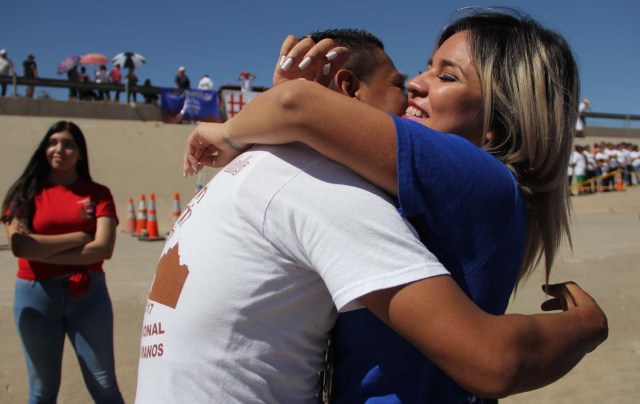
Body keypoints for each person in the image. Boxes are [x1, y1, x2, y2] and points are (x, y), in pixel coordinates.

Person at [144, 26, 604, 403]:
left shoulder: (480, 175)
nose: (416, 84)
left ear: (498, 121)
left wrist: (229, 131)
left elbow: (297, 107)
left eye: (448, 77)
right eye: (426, 67)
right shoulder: (458, 191)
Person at [1, 121, 124, 403]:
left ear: (80, 153)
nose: (59, 149)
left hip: (88, 295)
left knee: (104, 384)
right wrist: (80, 236)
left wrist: (42, 251)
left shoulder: (98, 194)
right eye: (53, 142)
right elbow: (20, 246)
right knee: (43, 388)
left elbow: (103, 248)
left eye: (69, 144)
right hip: (35, 296)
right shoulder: (23, 193)